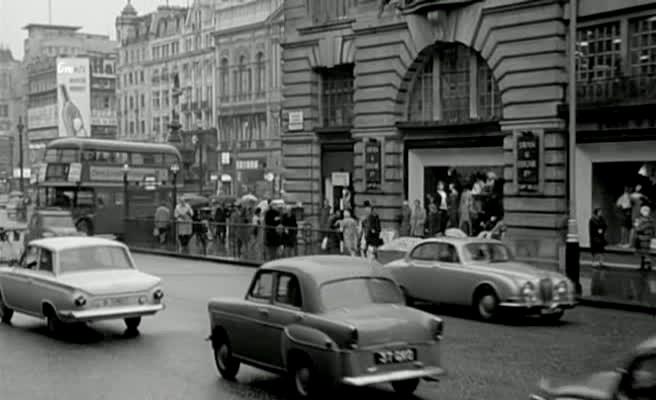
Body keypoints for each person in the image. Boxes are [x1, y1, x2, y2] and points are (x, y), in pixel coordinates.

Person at [634, 205, 654, 271]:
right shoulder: (650, 220)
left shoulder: (644, 220)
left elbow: (639, 229)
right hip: (646, 238)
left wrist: (636, 225)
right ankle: (643, 266)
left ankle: (648, 265)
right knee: (644, 253)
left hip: (643, 238)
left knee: (645, 253)